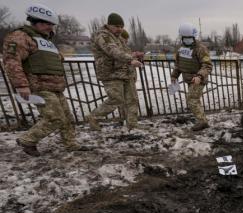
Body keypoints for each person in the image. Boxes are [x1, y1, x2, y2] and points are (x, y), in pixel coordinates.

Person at [3, 4, 87, 156]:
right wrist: (21, 85)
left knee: (67, 118)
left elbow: (51, 58)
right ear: (39, 22)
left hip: (55, 87)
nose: (51, 28)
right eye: (49, 25)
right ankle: (27, 140)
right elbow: (11, 61)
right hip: (39, 86)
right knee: (54, 118)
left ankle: (71, 144)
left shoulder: (45, 40)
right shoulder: (20, 37)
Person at [86, 13, 144, 131]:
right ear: (109, 25)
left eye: (121, 26)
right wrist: (130, 60)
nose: (120, 29)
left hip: (125, 73)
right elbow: (112, 51)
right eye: (117, 26)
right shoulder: (103, 36)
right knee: (116, 99)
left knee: (132, 100)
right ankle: (93, 116)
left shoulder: (117, 38)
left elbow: (123, 52)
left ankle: (133, 125)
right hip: (111, 73)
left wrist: (133, 56)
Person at [170, 23, 213, 131]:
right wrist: (174, 75)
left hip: (198, 80)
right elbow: (179, 64)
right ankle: (202, 119)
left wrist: (199, 76)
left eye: (189, 37)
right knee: (195, 100)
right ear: (182, 37)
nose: (187, 39)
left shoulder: (200, 48)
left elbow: (207, 65)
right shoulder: (181, 49)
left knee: (191, 99)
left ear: (193, 36)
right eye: (185, 37)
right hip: (189, 79)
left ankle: (202, 122)